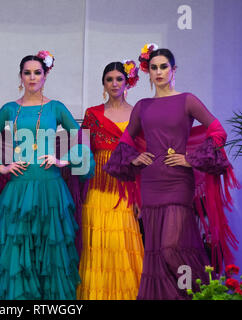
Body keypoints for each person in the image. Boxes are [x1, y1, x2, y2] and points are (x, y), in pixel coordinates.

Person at [105, 44, 239, 300]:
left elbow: (218, 130)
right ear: (148, 72)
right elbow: (125, 142)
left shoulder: (187, 99)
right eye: (154, 67)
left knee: (171, 248)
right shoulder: (142, 106)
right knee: (155, 251)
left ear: (173, 70)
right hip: (152, 184)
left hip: (178, 183)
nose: (158, 72)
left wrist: (192, 159)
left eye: (163, 67)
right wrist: (134, 157)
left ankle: (203, 294)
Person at [0, 50, 94, 299]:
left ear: (45, 75)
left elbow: (82, 139)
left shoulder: (56, 108)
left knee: (50, 254)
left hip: (51, 191)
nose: (32, 77)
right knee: (17, 253)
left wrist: (62, 160)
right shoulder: (8, 109)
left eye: (37, 72)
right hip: (18, 191)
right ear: (20, 76)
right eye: (27, 73)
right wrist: (2, 167)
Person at [77, 61, 144, 300]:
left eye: (119, 79)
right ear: (103, 84)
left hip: (125, 192)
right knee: (97, 249)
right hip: (97, 189)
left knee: (121, 247)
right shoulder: (92, 114)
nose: (114, 83)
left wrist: (140, 196)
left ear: (127, 83)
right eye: (109, 79)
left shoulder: (138, 113)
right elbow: (82, 152)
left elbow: (141, 157)